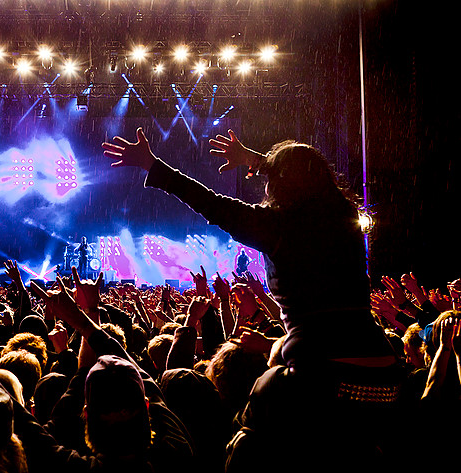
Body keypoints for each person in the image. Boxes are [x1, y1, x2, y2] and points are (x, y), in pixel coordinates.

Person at [103, 128, 404, 470]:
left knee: (251, 440)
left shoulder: (279, 227)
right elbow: (306, 177)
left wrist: (154, 166)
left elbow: (210, 204)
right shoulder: (345, 221)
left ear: (280, 184)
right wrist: (258, 162)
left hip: (322, 372)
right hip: (383, 372)